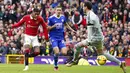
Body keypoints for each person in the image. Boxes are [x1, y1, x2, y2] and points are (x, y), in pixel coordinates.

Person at [66, 1, 126, 73]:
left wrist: (89, 42)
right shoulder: (91, 15)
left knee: (77, 46)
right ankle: (120, 63)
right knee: (102, 53)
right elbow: (95, 27)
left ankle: (74, 61)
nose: (82, 7)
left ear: (86, 7)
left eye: (83, 6)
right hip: (99, 38)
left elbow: (92, 28)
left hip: (94, 38)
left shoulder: (91, 16)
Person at [48, 6, 75, 71]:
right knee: (57, 51)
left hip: (61, 38)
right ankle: (55, 65)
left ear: (61, 11)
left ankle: (55, 55)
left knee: (64, 52)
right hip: (53, 37)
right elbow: (47, 28)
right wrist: (53, 26)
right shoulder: (51, 18)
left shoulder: (63, 17)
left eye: (60, 10)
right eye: (57, 10)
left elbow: (66, 24)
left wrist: (72, 30)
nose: (59, 11)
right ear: (55, 10)